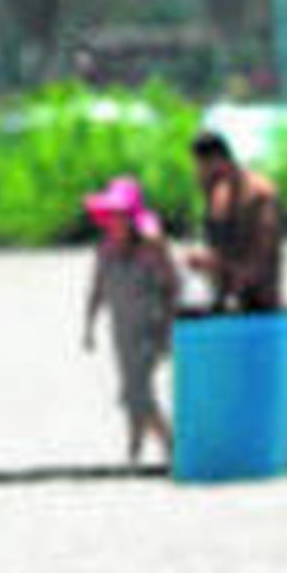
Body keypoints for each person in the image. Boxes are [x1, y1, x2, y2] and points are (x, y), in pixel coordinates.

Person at [81, 174, 177, 465]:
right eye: (112, 215)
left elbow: (171, 287)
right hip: (121, 330)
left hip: (150, 328)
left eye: (121, 215)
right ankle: (134, 450)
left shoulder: (150, 250)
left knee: (136, 392)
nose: (115, 221)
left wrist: (169, 325)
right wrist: (88, 325)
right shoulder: (104, 250)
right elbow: (96, 288)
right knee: (132, 389)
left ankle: (172, 445)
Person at [186, 130, 283, 314]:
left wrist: (215, 264)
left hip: (261, 307)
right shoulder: (218, 195)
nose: (197, 175)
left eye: (201, 168)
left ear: (218, 162)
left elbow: (260, 266)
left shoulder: (261, 195)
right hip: (225, 304)